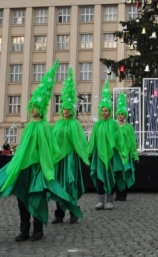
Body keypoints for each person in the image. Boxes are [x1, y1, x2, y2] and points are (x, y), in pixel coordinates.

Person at [0, 62, 80, 242]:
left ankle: (38, 229)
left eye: (36, 106)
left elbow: (51, 148)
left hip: (37, 168)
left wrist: (49, 165)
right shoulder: (28, 126)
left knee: (36, 197)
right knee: (21, 198)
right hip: (24, 167)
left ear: (42, 108)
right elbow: (22, 148)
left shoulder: (45, 126)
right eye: (32, 106)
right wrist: (16, 164)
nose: (33, 109)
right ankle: (24, 229)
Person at [51, 67, 90, 224]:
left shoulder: (75, 124)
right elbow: (52, 141)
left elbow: (80, 142)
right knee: (58, 184)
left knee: (70, 183)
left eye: (68, 109)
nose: (66, 111)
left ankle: (74, 210)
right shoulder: (58, 124)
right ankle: (59, 213)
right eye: (64, 109)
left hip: (70, 159)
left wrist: (85, 158)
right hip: (59, 160)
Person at [87, 81, 128, 211]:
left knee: (110, 177)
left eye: (106, 110)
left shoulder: (114, 124)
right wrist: (87, 154)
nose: (104, 112)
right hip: (99, 155)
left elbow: (120, 139)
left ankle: (110, 200)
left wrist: (123, 152)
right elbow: (92, 140)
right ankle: (100, 201)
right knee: (100, 177)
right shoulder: (97, 125)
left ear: (110, 111)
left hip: (111, 154)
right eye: (102, 110)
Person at [115, 92, 137, 201]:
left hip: (126, 154)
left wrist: (135, 155)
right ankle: (117, 193)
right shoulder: (114, 126)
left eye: (122, 114)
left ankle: (123, 193)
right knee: (117, 173)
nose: (120, 116)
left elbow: (133, 141)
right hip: (117, 153)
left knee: (124, 172)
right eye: (119, 114)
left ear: (125, 115)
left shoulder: (129, 127)